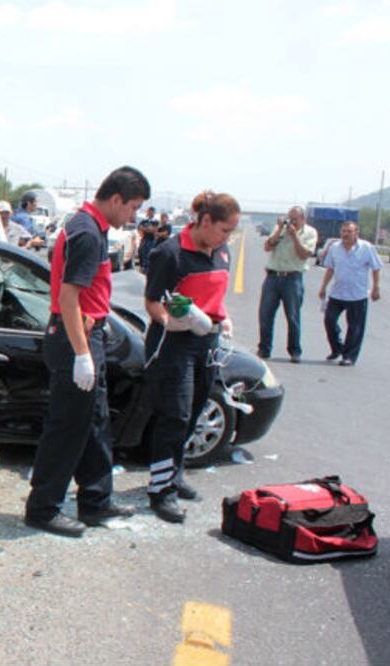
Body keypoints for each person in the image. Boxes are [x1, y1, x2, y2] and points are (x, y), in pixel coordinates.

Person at [24, 166, 150, 537]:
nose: (134, 217)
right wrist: (82, 354)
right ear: (115, 199)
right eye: (132, 207)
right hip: (74, 337)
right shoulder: (86, 233)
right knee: (68, 428)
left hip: (85, 333)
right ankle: (43, 508)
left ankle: (96, 499)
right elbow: (68, 297)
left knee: (95, 423)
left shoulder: (91, 227)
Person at [144, 190, 239, 523]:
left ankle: (175, 474)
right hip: (175, 344)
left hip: (207, 343)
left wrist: (221, 317)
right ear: (206, 221)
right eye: (224, 229)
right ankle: (160, 490)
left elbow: (215, 293)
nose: (227, 238)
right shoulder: (170, 253)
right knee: (175, 415)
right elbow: (154, 302)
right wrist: (177, 322)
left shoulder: (221, 252)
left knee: (194, 412)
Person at [256, 206, 317, 363]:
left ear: (303, 219)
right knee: (265, 315)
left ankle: (294, 350)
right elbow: (267, 247)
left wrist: (295, 236)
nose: (293, 222)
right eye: (290, 218)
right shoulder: (280, 229)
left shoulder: (310, 233)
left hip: (292, 278)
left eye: (296, 219)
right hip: (273, 276)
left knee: (293, 316)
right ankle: (264, 349)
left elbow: (304, 254)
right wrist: (279, 230)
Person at [318, 221, 382, 366]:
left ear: (356, 233)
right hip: (337, 293)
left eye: (349, 231)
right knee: (329, 320)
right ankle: (337, 348)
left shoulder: (366, 248)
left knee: (355, 327)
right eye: (343, 231)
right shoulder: (335, 248)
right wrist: (323, 287)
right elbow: (330, 269)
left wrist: (376, 288)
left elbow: (376, 268)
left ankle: (349, 356)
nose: (345, 234)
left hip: (357, 295)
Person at [138, 206, 158, 272]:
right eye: (149, 212)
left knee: (149, 254)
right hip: (144, 239)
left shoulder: (155, 221)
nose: (150, 213)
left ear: (154, 213)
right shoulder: (144, 220)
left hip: (151, 240)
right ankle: (142, 266)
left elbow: (153, 230)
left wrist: (145, 229)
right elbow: (140, 227)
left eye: (151, 212)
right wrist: (147, 229)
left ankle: (148, 268)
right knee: (141, 252)